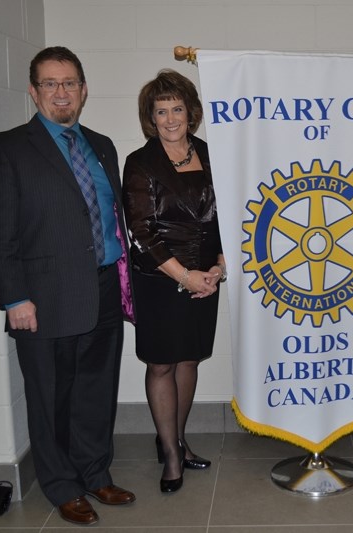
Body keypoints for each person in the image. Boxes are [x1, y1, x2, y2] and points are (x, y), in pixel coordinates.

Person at [0, 46, 135, 525]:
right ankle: (62, 486)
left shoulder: (102, 145)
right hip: (43, 299)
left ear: (83, 91)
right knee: (50, 397)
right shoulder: (6, 147)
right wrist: (14, 297)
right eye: (50, 83)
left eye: (69, 83)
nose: (61, 92)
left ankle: (93, 473)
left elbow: (112, 219)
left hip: (104, 290)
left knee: (96, 391)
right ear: (33, 91)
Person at [123, 69, 224, 493]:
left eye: (176, 109)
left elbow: (226, 214)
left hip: (206, 276)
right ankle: (168, 453)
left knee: (189, 360)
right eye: (160, 111)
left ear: (190, 112)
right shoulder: (140, 162)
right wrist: (186, 276)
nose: (169, 119)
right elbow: (142, 232)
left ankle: (178, 440)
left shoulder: (211, 151)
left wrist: (219, 265)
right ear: (151, 117)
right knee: (162, 362)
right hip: (161, 278)